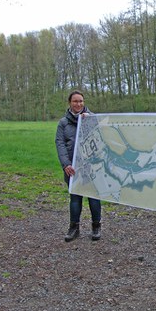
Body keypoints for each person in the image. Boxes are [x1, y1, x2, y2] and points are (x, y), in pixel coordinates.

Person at [55, 90, 102, 242]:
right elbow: (60, 144)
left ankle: (96, 227)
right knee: (75, 198)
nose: (78, 104)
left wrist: (88, 122)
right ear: (70, 103)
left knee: (93, 198)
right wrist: (66, 164)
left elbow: (100, 139)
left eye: (81, 101)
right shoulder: (63, 123)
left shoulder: (92, 119)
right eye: (75, 101)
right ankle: (74, 228)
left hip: (90, 166)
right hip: (72, 168)